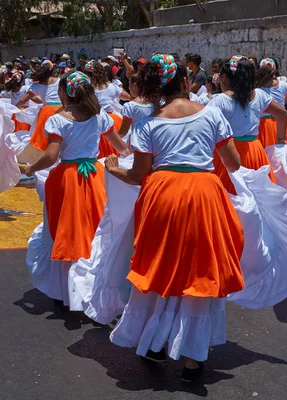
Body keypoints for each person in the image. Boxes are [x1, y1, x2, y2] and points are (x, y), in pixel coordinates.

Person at [104, 54, 244, 382]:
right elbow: (233, 163)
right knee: (198, 271)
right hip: (204, 196)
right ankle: (193, 360)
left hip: (162, 197)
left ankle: (153, 343)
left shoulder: (147, 124)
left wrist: (114, 170)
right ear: (185, 82)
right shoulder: (212, 114)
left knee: (160, 269)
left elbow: (139, 175)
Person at [22, 71, 127, 307]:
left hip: (67, 180)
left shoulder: (58, 120)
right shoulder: (100, 117)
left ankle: (67, 293)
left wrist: (30, 168)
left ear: (63, 93)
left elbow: (50, 157)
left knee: (64, 231)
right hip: (94, 176)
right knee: (92, 230)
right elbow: (121, 148)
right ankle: (91, 289)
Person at [209, 56, 287, 194]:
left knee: (230, 197)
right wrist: (280, 139)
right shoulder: (259, 95)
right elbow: (282, 113)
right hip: (254, 151)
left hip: (228, 152)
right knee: (259, 195)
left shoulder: (220, 100)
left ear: (225, 78)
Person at [256, 57, 287, 156]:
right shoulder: (283, 85)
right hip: (282, 124)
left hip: (263, 126)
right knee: (283, 156)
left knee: (267, 156)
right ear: (275, 69)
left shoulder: (256, 88)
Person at [17, 60, 62, 151]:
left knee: (46, 139)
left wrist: (14, 107)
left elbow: (23, 100)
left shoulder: (36, 86)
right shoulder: (60, 81)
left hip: (47, 112)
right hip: (62, 110)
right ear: (52, 70)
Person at [118, 73, 154, 138]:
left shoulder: (130, 106)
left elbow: (123, 132)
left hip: (138, 143)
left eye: (129, 84)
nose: (128, 88)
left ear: (134, 86)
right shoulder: (157, 102)